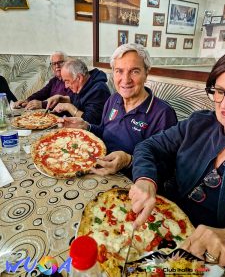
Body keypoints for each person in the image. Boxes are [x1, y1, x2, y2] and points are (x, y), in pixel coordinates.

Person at [130, 54, 225, 266]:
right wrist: (145, 178)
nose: (224, 105)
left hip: (205, 258)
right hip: (158, 225)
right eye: (220, 92)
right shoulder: (198, 124)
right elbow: (148, 146)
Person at [58, 43, 177, 176]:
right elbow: (104, 131)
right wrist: (86, 126)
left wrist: (129, 161)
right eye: (119, 71)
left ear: (146, 73)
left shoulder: (163, 113)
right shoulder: (113, 99)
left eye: (134, 71)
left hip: (130, 183)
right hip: (99, 167)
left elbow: (166, 167)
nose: (125, 80)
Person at [47, 59, 111, 125]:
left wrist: (68, 107)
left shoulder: (99, 90)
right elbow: (75, 99)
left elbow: (89, 121)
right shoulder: (83, 84)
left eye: (67, 81)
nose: (66, 86)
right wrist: (60, 98)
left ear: (79, 78)